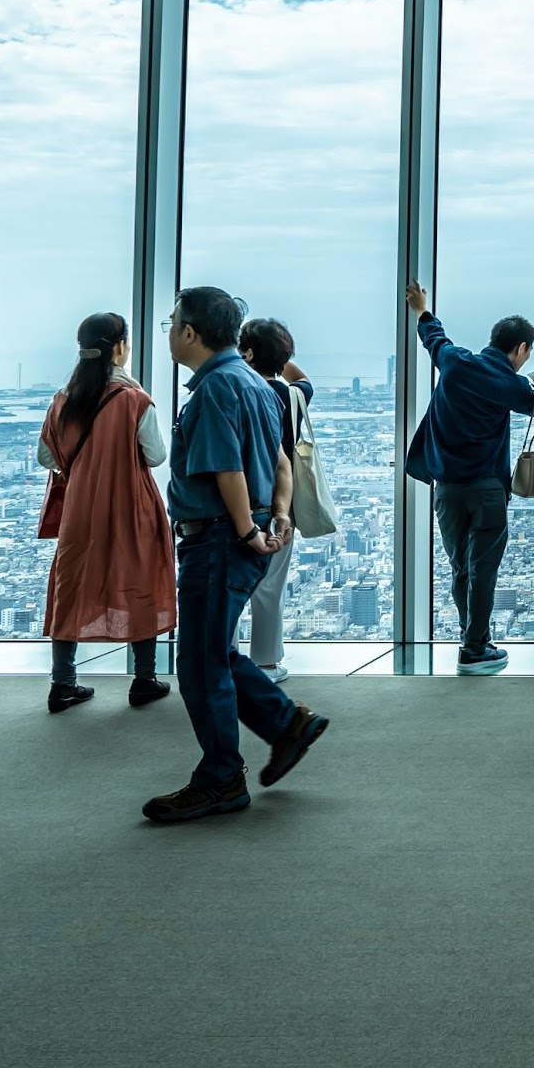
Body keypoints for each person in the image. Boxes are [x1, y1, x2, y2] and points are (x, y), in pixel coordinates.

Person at [142, 286, 328, 824]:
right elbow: (279, 460)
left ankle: (222, 778)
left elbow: (229, 470)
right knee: (213, 650)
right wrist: (280, 516)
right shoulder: (256, 383)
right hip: (240, 537)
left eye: (172, 323)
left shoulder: (217, 388)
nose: (170, 332)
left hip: (220, 541)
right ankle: (286, 723)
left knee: (199, 663)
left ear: (191, 332)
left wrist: (247, 531)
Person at [36, 313, 174, 713]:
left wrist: (84, 468)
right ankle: (144, 680)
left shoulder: (63, 399)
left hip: (81, 510)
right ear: (120, 347)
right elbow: (157, 455)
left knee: (71, 587)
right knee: (140, 580)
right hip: (133, 507)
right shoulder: (134, 400)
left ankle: (63, 684)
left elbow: (47, 456)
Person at [402, 282, 534, 676]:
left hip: (446, 488)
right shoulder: (511, 384)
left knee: (460, 566)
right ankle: (475, 647)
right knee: (484, 568)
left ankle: (470, 638)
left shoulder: (456, 362)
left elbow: (434, 337)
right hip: (487, 490)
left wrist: (421, 308)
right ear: (521, 349)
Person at [237, 317, 311, 684]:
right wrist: (280, 357)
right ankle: (266, 664)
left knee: (231, 589)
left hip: (236, 504)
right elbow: (303, 380)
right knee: (270, 589)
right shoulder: (288, 394)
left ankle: (226, 661)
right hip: (281, 505)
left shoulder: (236, 392)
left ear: (245, 353)